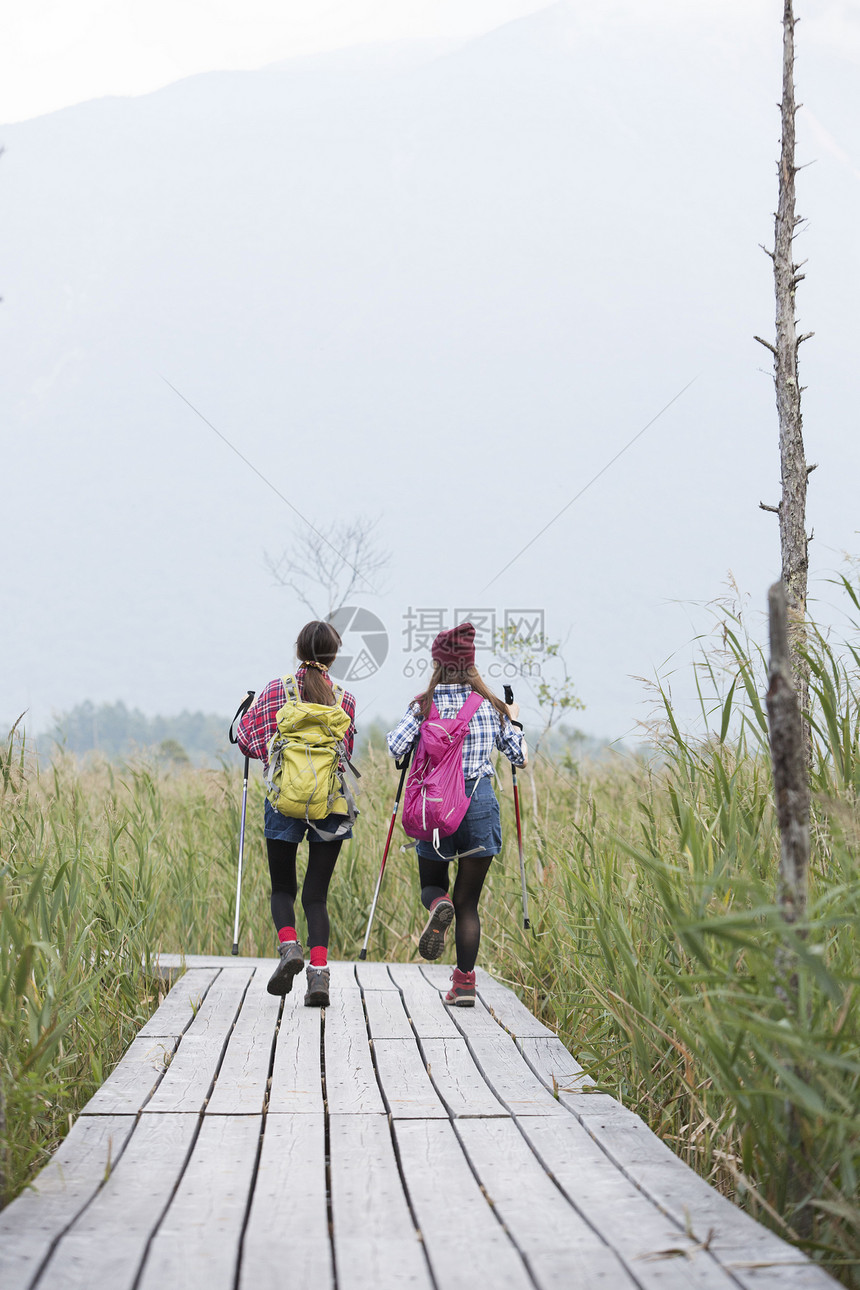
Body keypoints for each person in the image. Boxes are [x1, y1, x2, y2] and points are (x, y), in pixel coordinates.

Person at [386, 621, 527, 1006]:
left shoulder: (422, 706)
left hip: (435, 811)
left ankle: (437, 906)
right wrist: (512, 718)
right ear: (471, 664)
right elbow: (520, 757)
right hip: (479, 807)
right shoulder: (489, 707)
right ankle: (464, 984)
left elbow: (395, 747)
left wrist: (418, 732)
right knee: (469, 905)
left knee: (432, 887)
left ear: (437, 662)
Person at [236, 620, 357, 1006]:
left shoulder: (276, 690)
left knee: (283, 889)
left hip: (283, 801)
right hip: (331, 804)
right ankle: (318, 975)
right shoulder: (345, 699)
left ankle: (290, 947)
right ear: (334, 656)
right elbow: (345, 755)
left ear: (299, 650)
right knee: (316, 897)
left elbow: (250, 743)